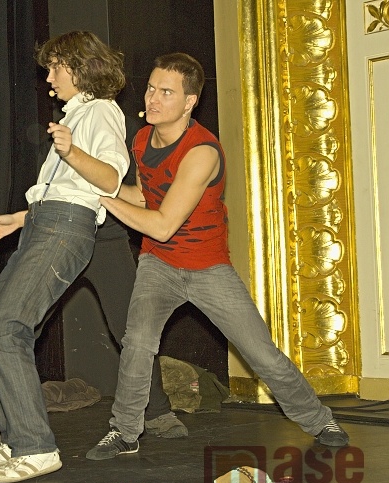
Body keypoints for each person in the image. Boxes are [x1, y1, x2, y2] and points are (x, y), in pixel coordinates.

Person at [85, 52, 349, 461]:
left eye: (166, 92)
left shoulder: (202, 151)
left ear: (189, 102)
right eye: (151, 88)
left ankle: (319, 420)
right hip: (159, 263)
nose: (152, 98)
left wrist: (104, 198)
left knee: (261, 354)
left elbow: (162, 224)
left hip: (207, 267)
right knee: (136, 343)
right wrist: (101, 188)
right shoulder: (140, 141)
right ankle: (125, 431)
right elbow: (144, 199)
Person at [0, 122, 187, 456]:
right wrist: (21, 218)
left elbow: (132, 192)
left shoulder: (113, 123)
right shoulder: (69, 126)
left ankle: (156, 410)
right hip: (61, 233)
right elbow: (61, 193)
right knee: (17, 323)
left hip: (106, 236)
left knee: (132, 326)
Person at [0, 31, 129, 483]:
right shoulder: (75, 115)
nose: (49, 78)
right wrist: (21, 218)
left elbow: (109, 180)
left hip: (64, 230)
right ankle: (15, 437)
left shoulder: (101, 111)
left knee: (6, 329)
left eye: (56, 67)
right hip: (45, 223)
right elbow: (64, 191)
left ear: (80, 67)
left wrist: (71, 150)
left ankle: (36, 447)